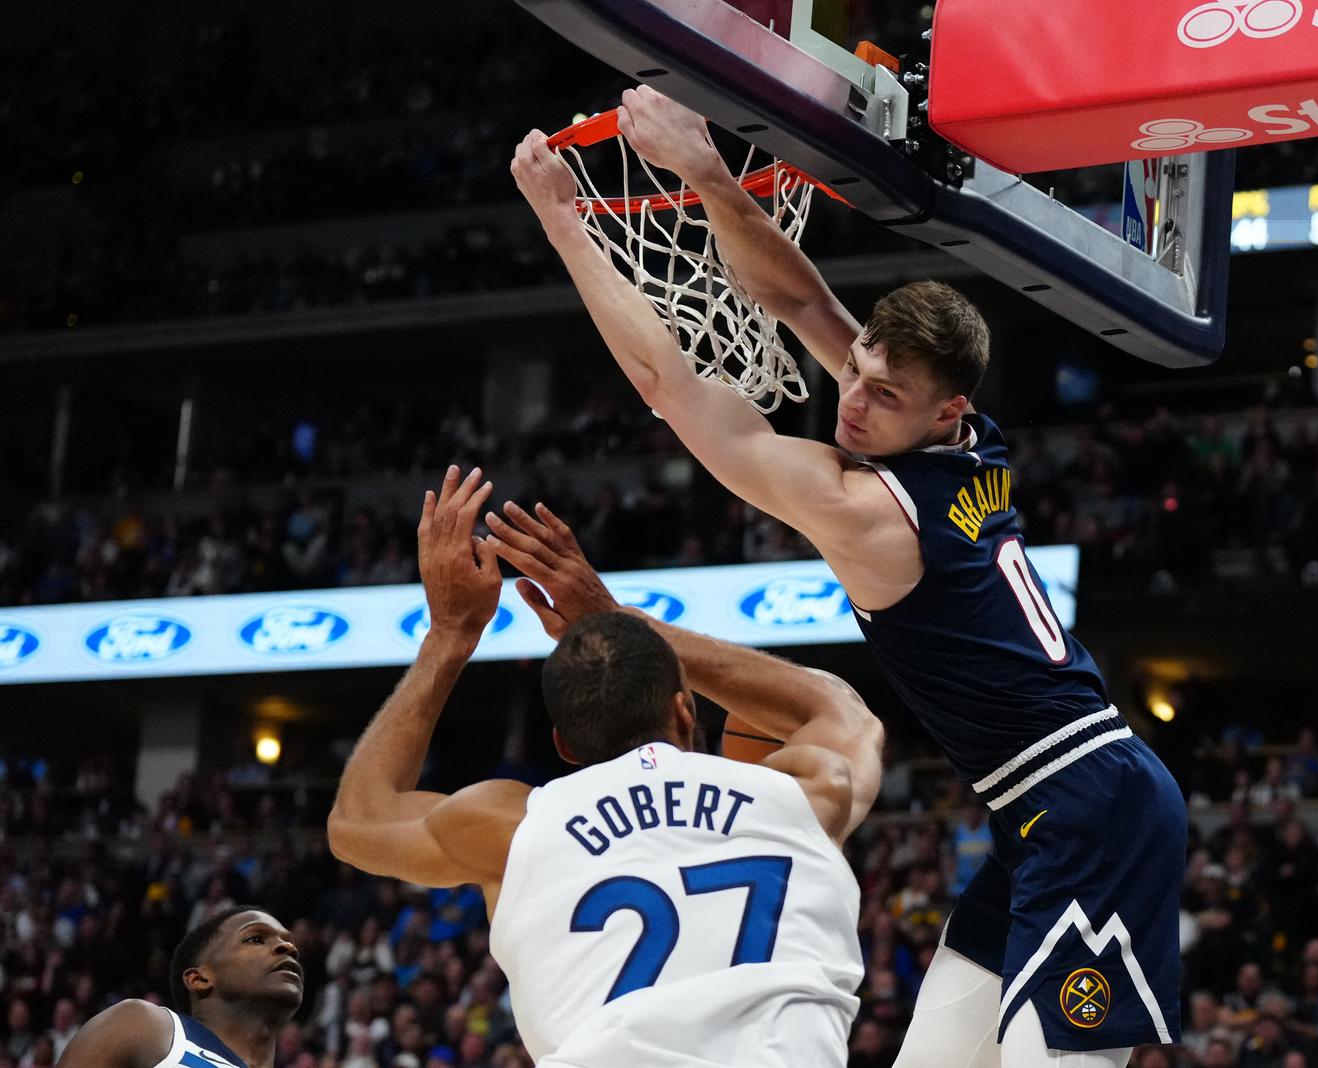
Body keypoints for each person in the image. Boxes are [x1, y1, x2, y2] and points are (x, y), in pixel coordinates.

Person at [511, 87, 1186, 1068]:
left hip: (1095, 810)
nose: (854, 403)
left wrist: (564, 221)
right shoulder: (959, 441)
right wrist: (701, 171)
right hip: (1046, 813)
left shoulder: (866, 513)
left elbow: (671, 389)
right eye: (858, 372)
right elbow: (798, 300)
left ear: (943, 410)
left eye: (883, 396)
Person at [327, 466, 884, 1067]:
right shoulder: (800, 794)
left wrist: (450, 633)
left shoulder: (512, 828)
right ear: (684, 707)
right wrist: (623, 617)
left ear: (565, 746)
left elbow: (358, 822)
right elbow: (836, 709)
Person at [56, 906, 303, 1068]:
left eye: (291, 944)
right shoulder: (145, 1029)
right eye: (256, 938)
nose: (289, 948)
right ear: (200, 978)